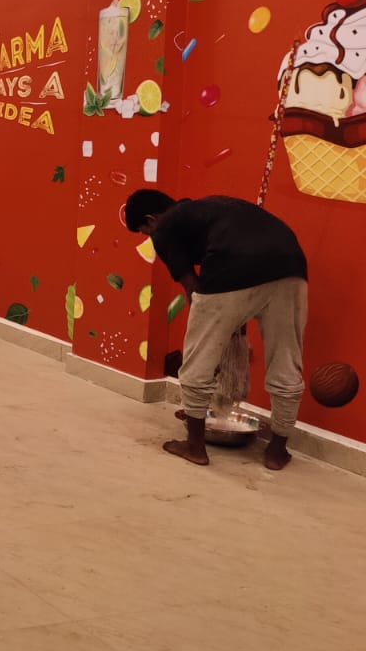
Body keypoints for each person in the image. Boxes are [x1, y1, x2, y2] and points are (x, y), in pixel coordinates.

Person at [124, 190, 308, 471]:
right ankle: (277, 451)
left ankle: (195, 446)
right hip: (291, 264)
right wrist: (234, 325)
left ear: (151, 219)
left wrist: (215, 336)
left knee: (197, 360)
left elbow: (193, 289)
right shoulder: (208, 208)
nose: (149, 236)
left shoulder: (165, 228)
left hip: (232, 264)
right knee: (286, 360)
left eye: (144, 231)